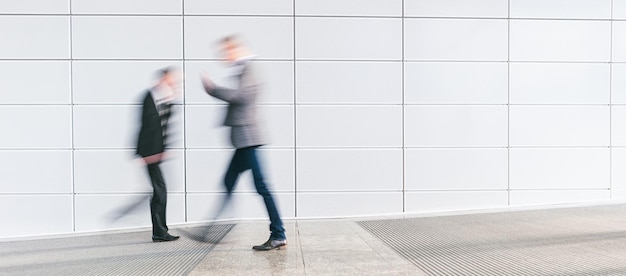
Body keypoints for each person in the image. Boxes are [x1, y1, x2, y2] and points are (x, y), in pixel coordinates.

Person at [201, 35, 287, 250]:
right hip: (243, 139)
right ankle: (213, 230)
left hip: (249, 138)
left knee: (261, 186)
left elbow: (241, 96)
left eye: (226, 51)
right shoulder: (243, 69)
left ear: (236, 49)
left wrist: (213, 89)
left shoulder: (250, 68)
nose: (224, 56)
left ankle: (278, 234)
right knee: (229, 181)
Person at [136, 67, 180, 242]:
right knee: (160, 191)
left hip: (155, 152)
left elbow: (163, 125)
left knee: (159, 191)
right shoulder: (149, 97)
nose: (173, 83)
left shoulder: (163, 98)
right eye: (170, 80)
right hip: (149, 153)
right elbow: (147, 127)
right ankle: (159, 232)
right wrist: (147, 153)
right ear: (162, 79)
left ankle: (160, 231)